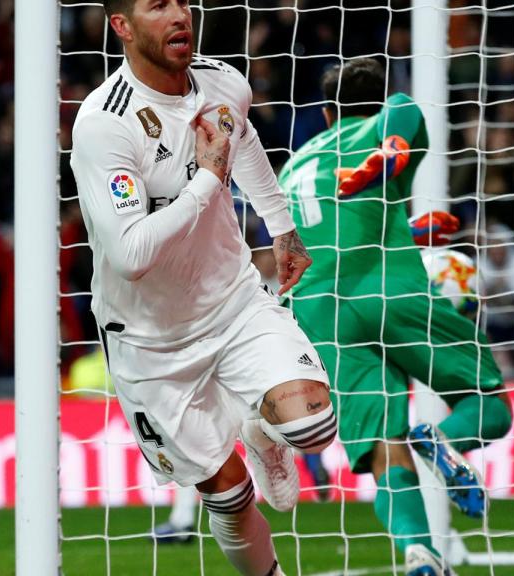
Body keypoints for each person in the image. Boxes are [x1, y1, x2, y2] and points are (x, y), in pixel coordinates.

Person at [70, 1, 337, 574]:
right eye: (158, 6)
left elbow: (243, 145)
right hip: (150, 339)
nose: (180, 16)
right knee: (231, 499)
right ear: (122, 26)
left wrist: (281, 226)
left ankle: (262, 431)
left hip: (232, 300)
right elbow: (130, 254)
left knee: (313, 425)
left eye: (183, 3)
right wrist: (206, 179)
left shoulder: (223, 83)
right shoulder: (104, 124)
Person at [280, 58, 514, 575]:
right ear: (381, 97)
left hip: (321, 315)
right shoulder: (391, 114)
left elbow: (324, 238)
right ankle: (442, 439)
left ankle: (419, 553)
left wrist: (409, 230)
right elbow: (400, 124)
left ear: (324, 113)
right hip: (391, 290)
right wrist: (387, 155)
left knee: (386, 451)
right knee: (490, 406)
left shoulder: (292, 166)